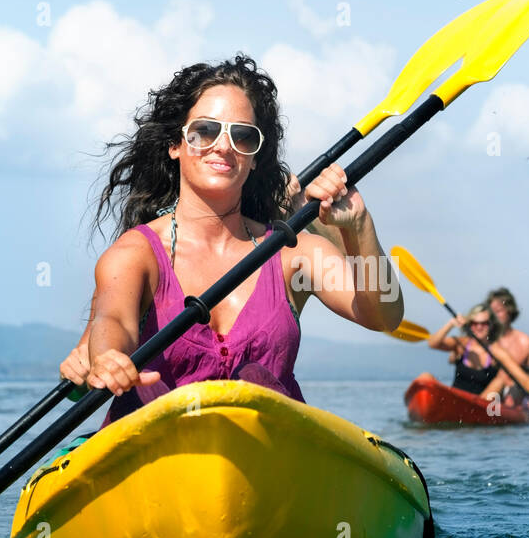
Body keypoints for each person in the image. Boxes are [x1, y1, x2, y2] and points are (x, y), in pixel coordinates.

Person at [58, 54, 403, 428]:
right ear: (175, 145)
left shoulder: (293, 253)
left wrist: (359, 225)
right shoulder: (134, 253)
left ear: (254, 158)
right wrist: (109, 358)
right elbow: (113, 320)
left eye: (242, 136)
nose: (223, 146)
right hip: (154, 449)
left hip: (268, 454)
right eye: (205, 131)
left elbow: (384, 315)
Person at [418, 303, 529, 413]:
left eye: (484, 323)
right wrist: (451, 324)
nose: (479, 327)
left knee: (501, 380)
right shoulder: (461, 344)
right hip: (456, 400)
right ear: (469, 325)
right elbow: (433, 343)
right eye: (474, 323)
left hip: (481, 405)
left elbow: (521, 376)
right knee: (425, 376)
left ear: (491, 325)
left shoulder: (496, 351)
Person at [481, 286, 529, 405]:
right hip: (484, 393)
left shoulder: (525, 342)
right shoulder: (481, 338)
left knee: (508, 386)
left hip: (512, 398)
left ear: (510, 311)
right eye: (492, 312)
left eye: (499, 311)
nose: (494, 316)